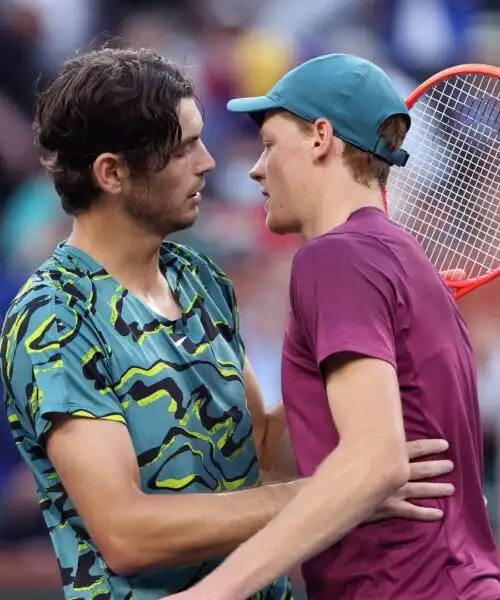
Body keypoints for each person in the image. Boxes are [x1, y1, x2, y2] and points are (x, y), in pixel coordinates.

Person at [0, 47, 455, 600]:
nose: (209, 162)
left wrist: (374, 336)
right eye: (185, 147)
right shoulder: (54, 314)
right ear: (112, 172)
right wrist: (344, 491)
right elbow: (125, 532)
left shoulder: (198, 277)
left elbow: (260, 450)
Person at [165, 54, 500, 600]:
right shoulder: (405, 260)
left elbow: (374, 462)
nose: (255, 169)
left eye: (271, 144)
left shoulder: (335, 259)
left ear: (321, 137)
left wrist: (214, 591)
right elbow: (324, 441)